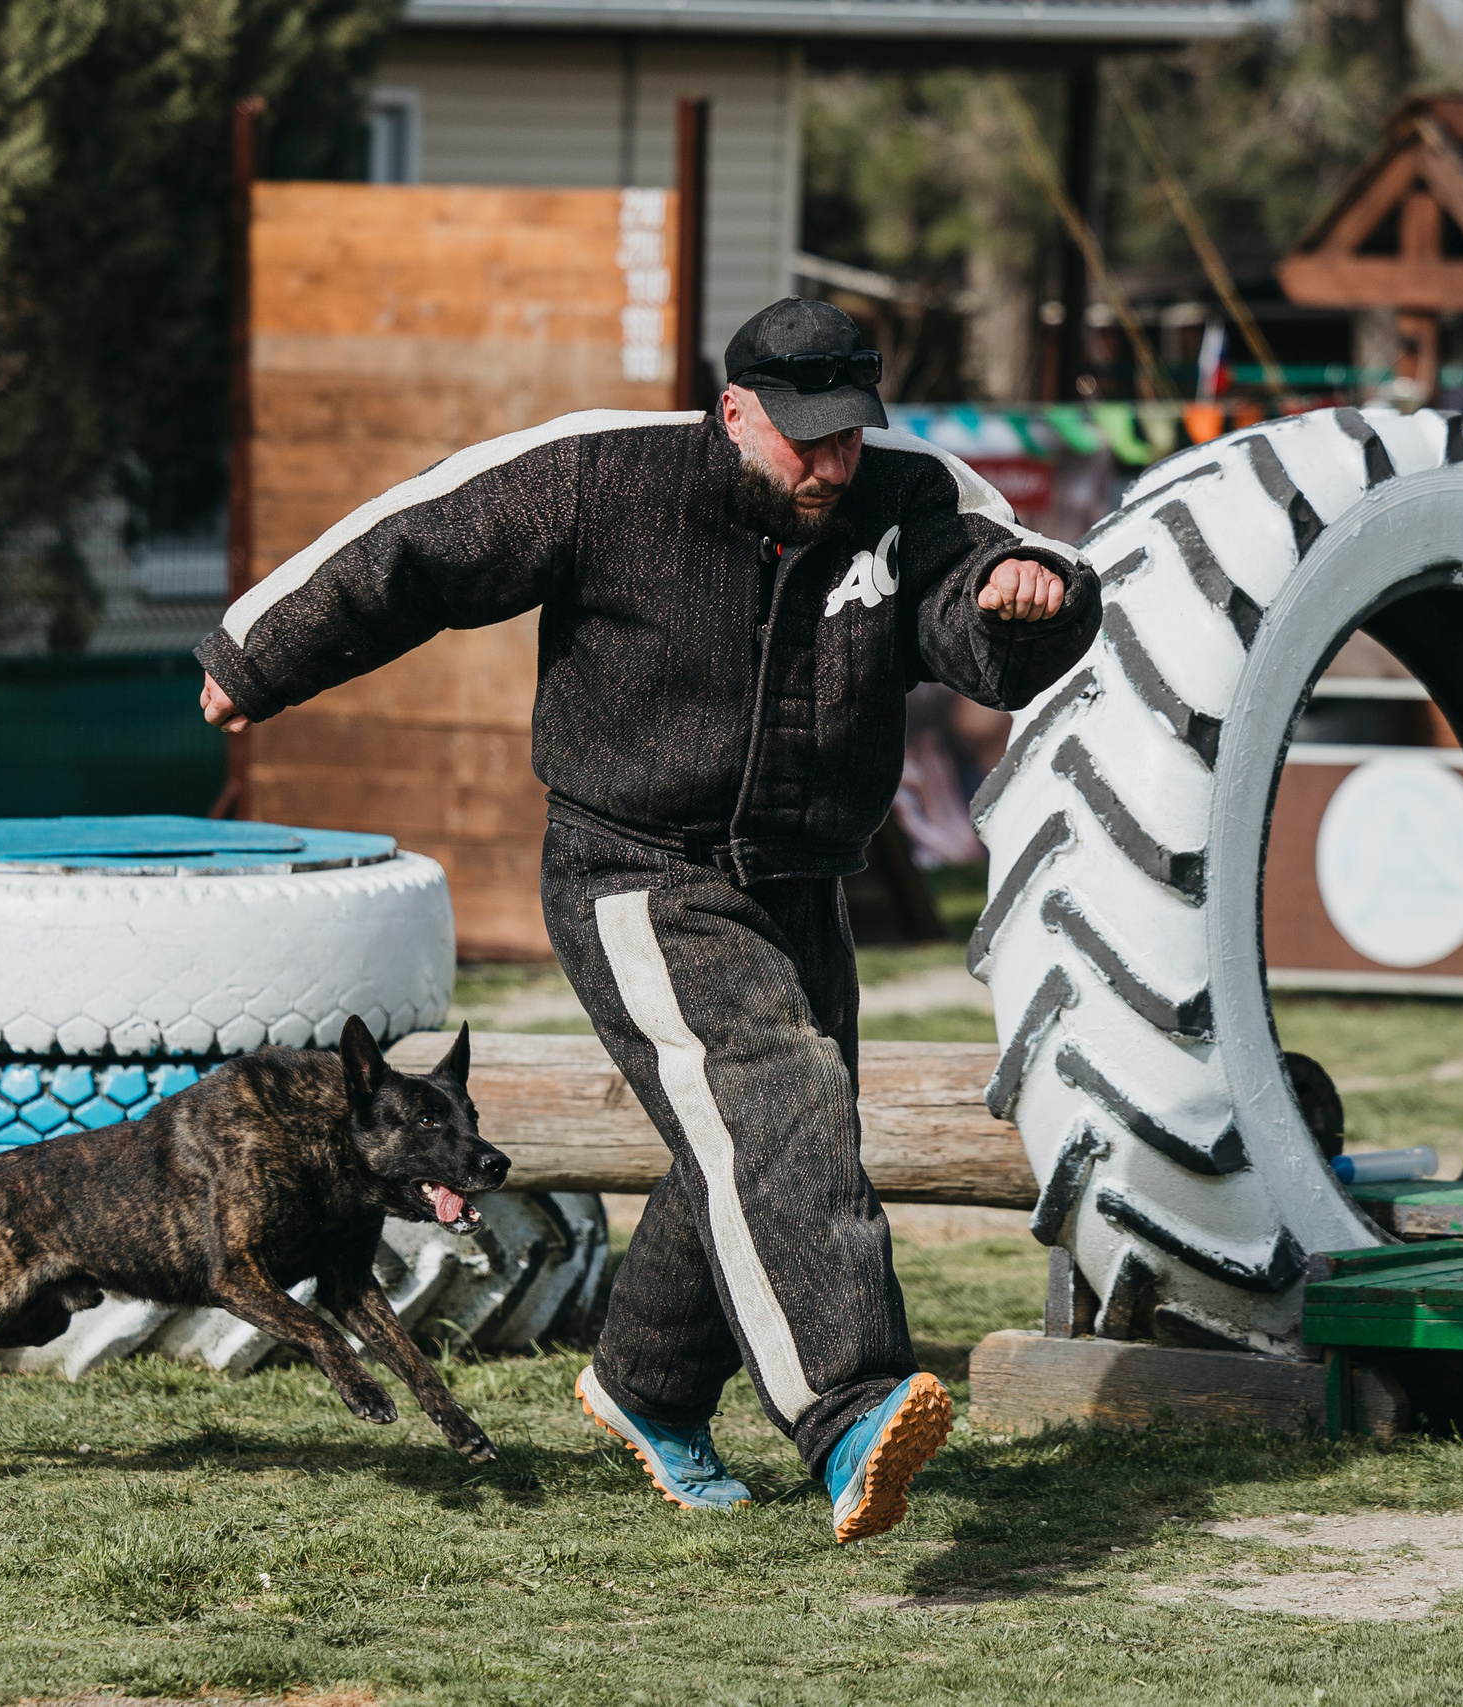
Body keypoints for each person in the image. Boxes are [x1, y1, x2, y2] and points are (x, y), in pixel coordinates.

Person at [196, 297, 1099, 1543]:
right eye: (804, 441)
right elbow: (421, 543)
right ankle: (847, 1409)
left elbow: (974, 598)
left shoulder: (911, 493)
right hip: (634, 869)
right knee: (769, 1096)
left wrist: (1024, 597)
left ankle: (648, 1388)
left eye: (850, 437)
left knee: (754, 1130)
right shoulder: (599, 475)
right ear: (733, 410)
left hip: (797, 873)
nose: (830, 466)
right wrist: (259, 653)